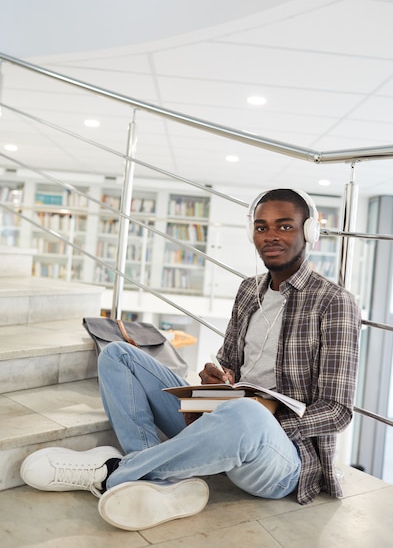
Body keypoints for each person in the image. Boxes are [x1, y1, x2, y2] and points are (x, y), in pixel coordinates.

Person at [20, 188, 361, 531]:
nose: (270, 236)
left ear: (310, 231)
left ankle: (116, 472)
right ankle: (158, 484)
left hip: (282, 456)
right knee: (117, 354)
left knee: (245, 413)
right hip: (226, 416)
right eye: (261, 227)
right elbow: (229, 362)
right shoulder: (249, 290)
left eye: (284, 226)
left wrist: (267, 415)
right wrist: (218, 378)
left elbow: (338, 411)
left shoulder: (334, 302)